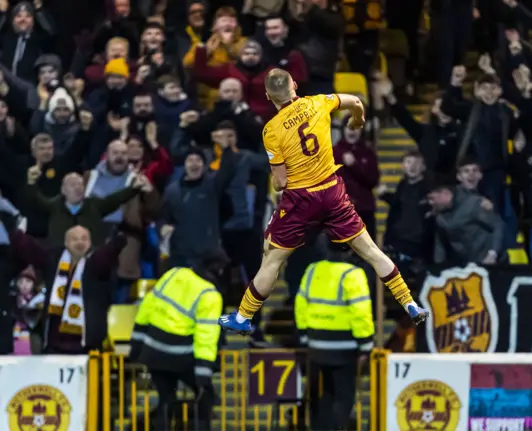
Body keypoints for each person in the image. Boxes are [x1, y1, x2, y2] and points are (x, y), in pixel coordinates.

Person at [219, 69, 428, 335]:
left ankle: (244, 316)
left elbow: (281, 182)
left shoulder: (271, 130)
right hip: (332, 191)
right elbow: (355, 102)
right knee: (371, 251)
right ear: (295, 85)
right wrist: (357, 121)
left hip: (301, 199)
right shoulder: (318, 102)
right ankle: (409, 303)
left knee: (271, 259)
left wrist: (277, 181)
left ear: (268, 95)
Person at [129, 259, 225, 431]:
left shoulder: (174, 274)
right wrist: (204, 372)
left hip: (154, 353)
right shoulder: (210, 295)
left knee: (166, 399)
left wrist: (136, 345)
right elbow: (206, 336)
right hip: (180, 357)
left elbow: (147, 306)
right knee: (207, 398)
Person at [294, 241, 373, 430]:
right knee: (343, 395)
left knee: (323, 396)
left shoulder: (313, 270)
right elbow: (360, 312)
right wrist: (366, 343)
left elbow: (301, 304)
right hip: (344, 348)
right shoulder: (353, 275)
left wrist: (304, 336)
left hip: (316, 345)